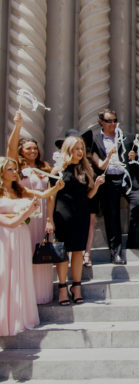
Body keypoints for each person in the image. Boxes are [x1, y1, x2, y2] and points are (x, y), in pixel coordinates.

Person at [47, 137, 105, 305]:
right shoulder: (58, 170)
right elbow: (51, 197)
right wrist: (49, 220)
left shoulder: (85, 169)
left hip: (81, 214)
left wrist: (96, 186)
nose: (80, 152)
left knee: (78, 251)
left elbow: (87, 196)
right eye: (76, 148)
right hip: (62, 214)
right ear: (68, 150)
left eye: (81, 148)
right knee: (63, 252)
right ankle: (62, 288)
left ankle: (77, 287)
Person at [6, 111, 56, 304]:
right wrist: (18, 126)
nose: (33, 151)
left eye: (35, 148)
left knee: (42, 252)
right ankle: (25, 297)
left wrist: (50, 219)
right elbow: (10, 149)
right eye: (28, 148)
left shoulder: (44, 167)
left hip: (42, 217)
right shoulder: (17, 168)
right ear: (21, 151)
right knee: (25, 254)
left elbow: (50, 196)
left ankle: (41, 294)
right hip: (26, 216)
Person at [91, 109, 139, 264]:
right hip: (108, 180)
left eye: (115, 120)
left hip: (127, 178)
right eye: (109, 121)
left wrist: (134, 157)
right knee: (112, 215)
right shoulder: (95, 139)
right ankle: (115, 252)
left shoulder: (127, 137)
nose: (113, 124)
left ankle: (133, 240)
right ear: (101, 122)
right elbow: (95, 162)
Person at [0, 163, 41, 336]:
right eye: (9, 169)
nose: (14, 172)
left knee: (19, 275)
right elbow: (10, 222)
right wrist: (27, 211)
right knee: (5, 275)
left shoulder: (19, 190)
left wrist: (30, 211)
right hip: (5, 238)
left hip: (22, 236)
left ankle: (19, 317)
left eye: (15, 169)